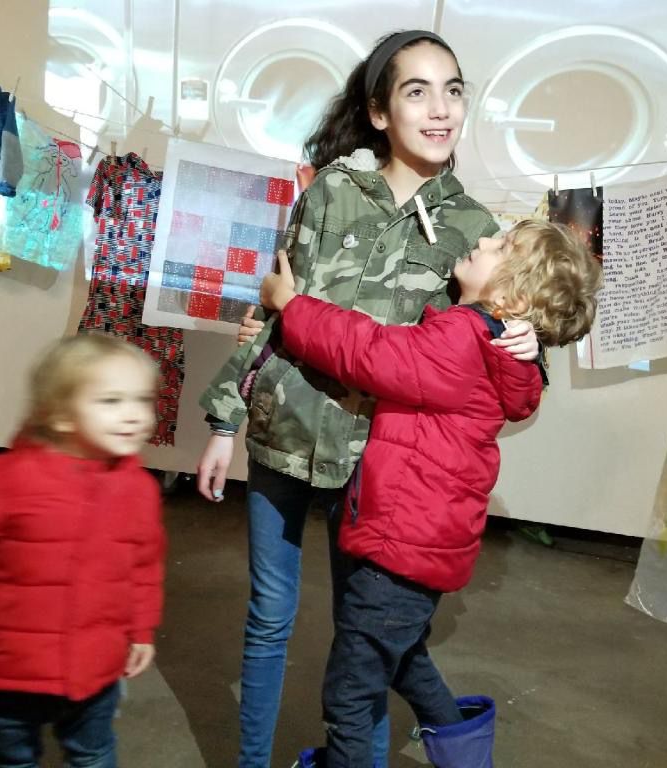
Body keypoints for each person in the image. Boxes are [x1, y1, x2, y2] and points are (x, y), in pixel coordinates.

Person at [196, 29, 539, 768]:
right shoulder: (329, 192)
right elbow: (282, 311)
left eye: (453, 90)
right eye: (418, 91)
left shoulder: (475, 231)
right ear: (380, 112)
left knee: (365, 638)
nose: (441, 108)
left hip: (376, 462)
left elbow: (506, 374)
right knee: (268, 620)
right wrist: (224, 419)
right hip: (282, 430)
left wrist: (529, 349)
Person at [260, 219, 603, 768]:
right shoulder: (503, 350)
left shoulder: (461, 340)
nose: (485, 239)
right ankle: (465, 757)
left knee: (349, 693)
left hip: (401, 542)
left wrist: (292, 305)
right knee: (400, 657)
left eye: (502, 246)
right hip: (428, 543)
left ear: (514, 294)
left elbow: (368, 352)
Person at [0, 334, 166, 768]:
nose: (134, 416)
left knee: (94, 754)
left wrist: (141, 630)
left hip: (96, 671)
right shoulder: (3, 479)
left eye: (143, 400)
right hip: (12, 672)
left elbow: (144, 565)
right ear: (60, 414)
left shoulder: (138, 489)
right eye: (111, 401)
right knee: (10, 759)